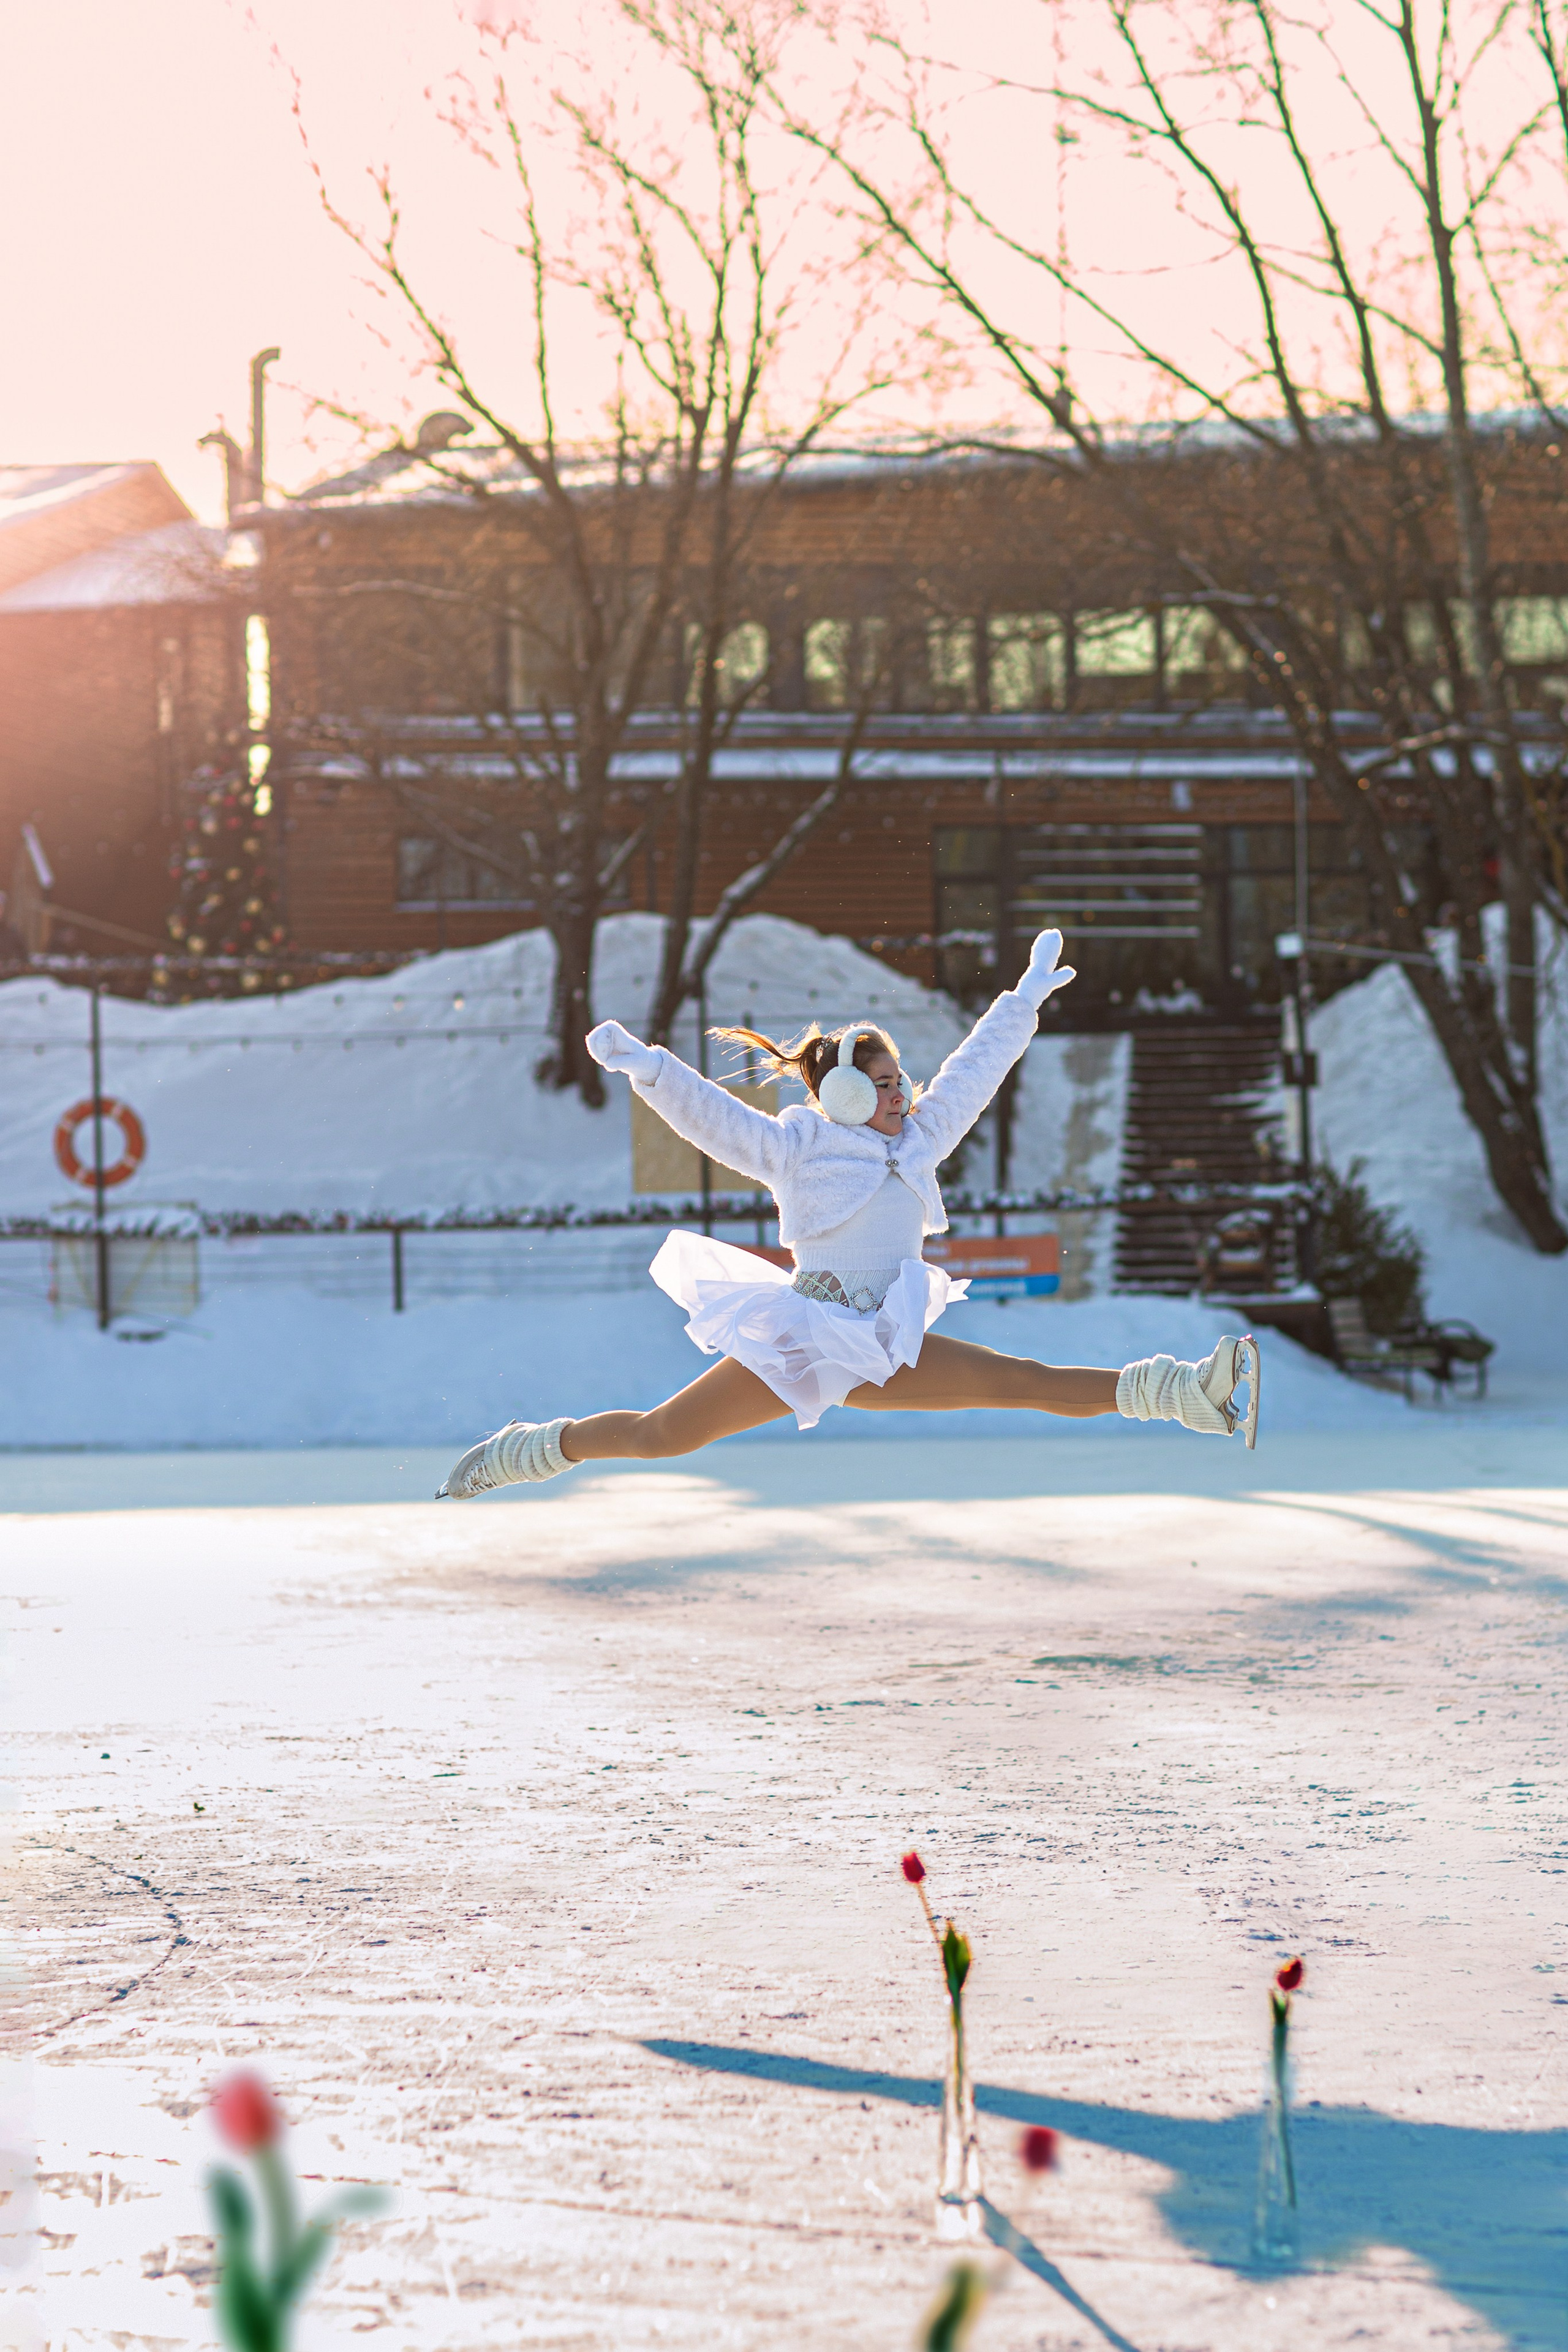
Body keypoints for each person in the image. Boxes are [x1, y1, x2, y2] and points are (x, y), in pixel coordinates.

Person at [437, 928, 1259, 1499]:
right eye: (886, 1083)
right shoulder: (801, 1145)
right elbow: (719, 1124)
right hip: (803, 1340)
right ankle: (524, 1450)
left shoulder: (923, 1134)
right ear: (844, 1094)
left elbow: (974, 1071)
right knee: (661, 1437)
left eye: (903, 1078)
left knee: (1021, 1382)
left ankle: (1191, 1393)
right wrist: (652, 1070)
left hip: (882, 1344)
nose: (903, 1092)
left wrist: (1022, 1002)